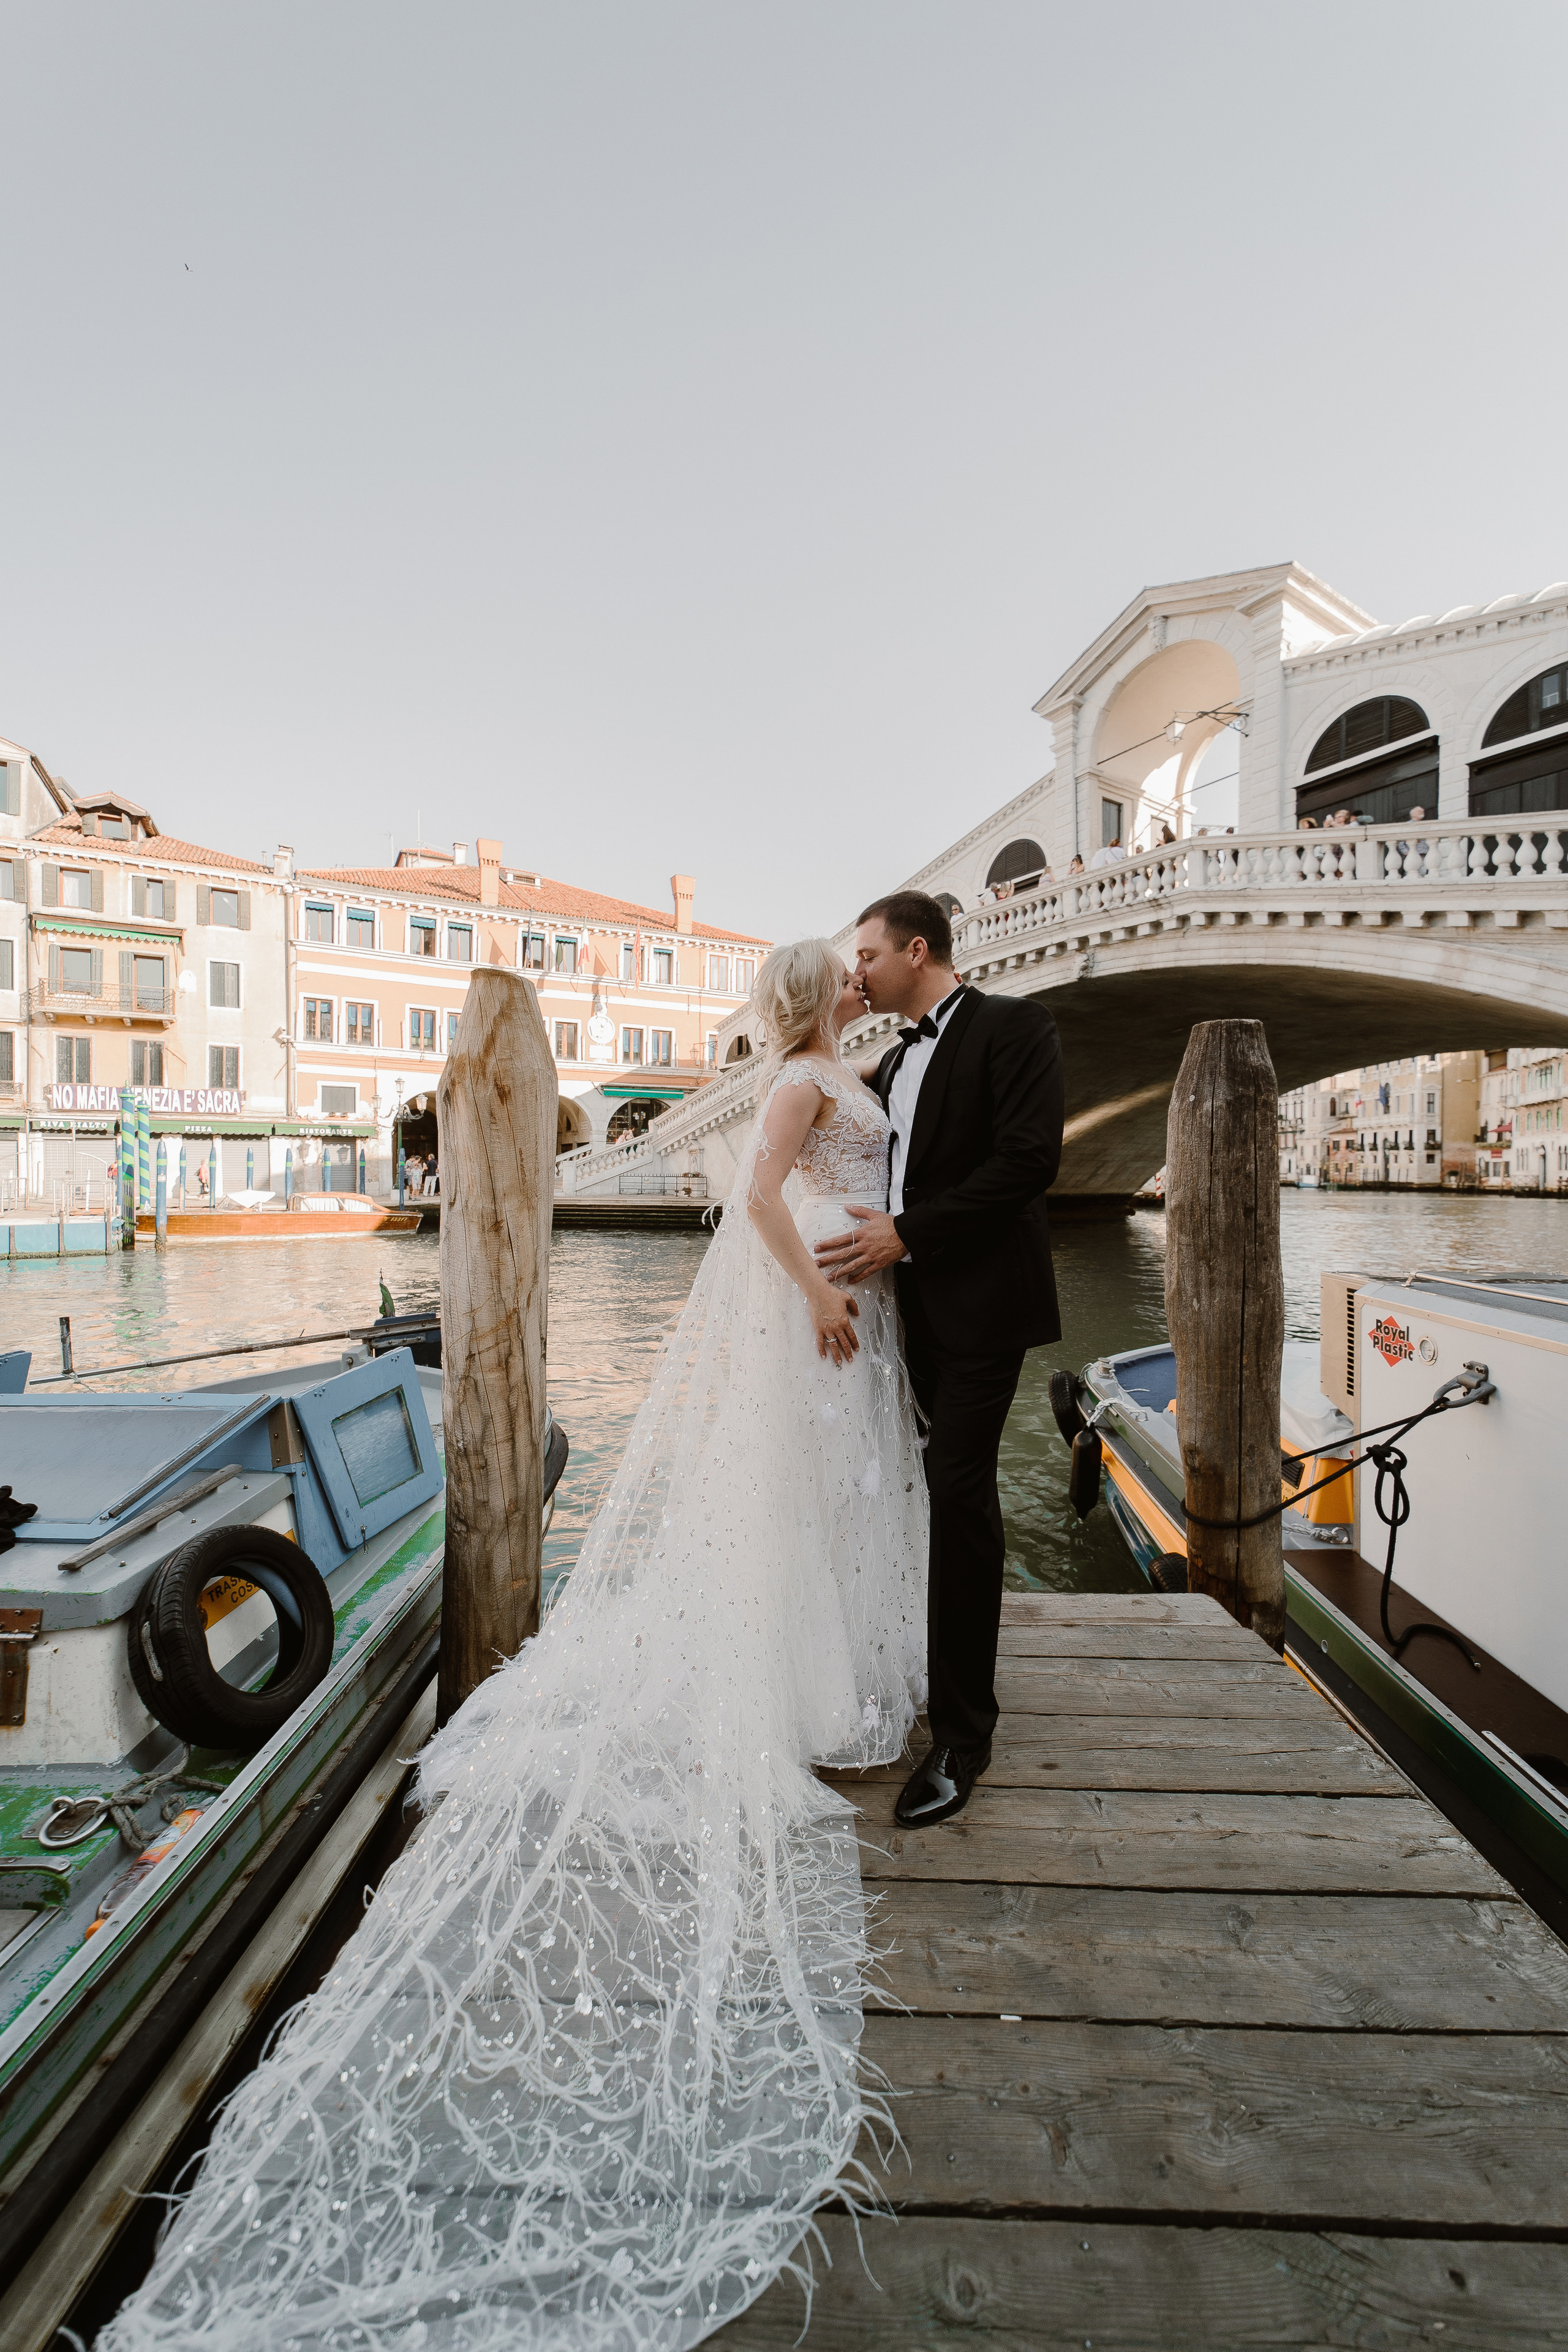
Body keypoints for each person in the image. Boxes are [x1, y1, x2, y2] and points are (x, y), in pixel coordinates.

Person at [102, 938, 927, 2352]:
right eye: (840, 972)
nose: (859, 978)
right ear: (813, 997)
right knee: (804, 1506)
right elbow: (755, 1196)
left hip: (859, 1309)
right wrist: (814, 1291)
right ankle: (787, 1688)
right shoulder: (799, 1077)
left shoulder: (832, 1065)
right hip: (825, 1313)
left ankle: (819, 1672)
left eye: (865, 966)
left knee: (830, 1512)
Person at [813, 891, 1064, 1831]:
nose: (859, 973)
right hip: (898, 1316)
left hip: (981, 1307)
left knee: (959, 1492)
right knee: (911, 1490)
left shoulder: (1017, 1026)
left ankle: (965, 1734)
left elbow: (1030, 1161)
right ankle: (926, 1671)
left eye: (869, 956)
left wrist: (907, 1236)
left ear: (918, 950)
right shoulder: (893, 1056)